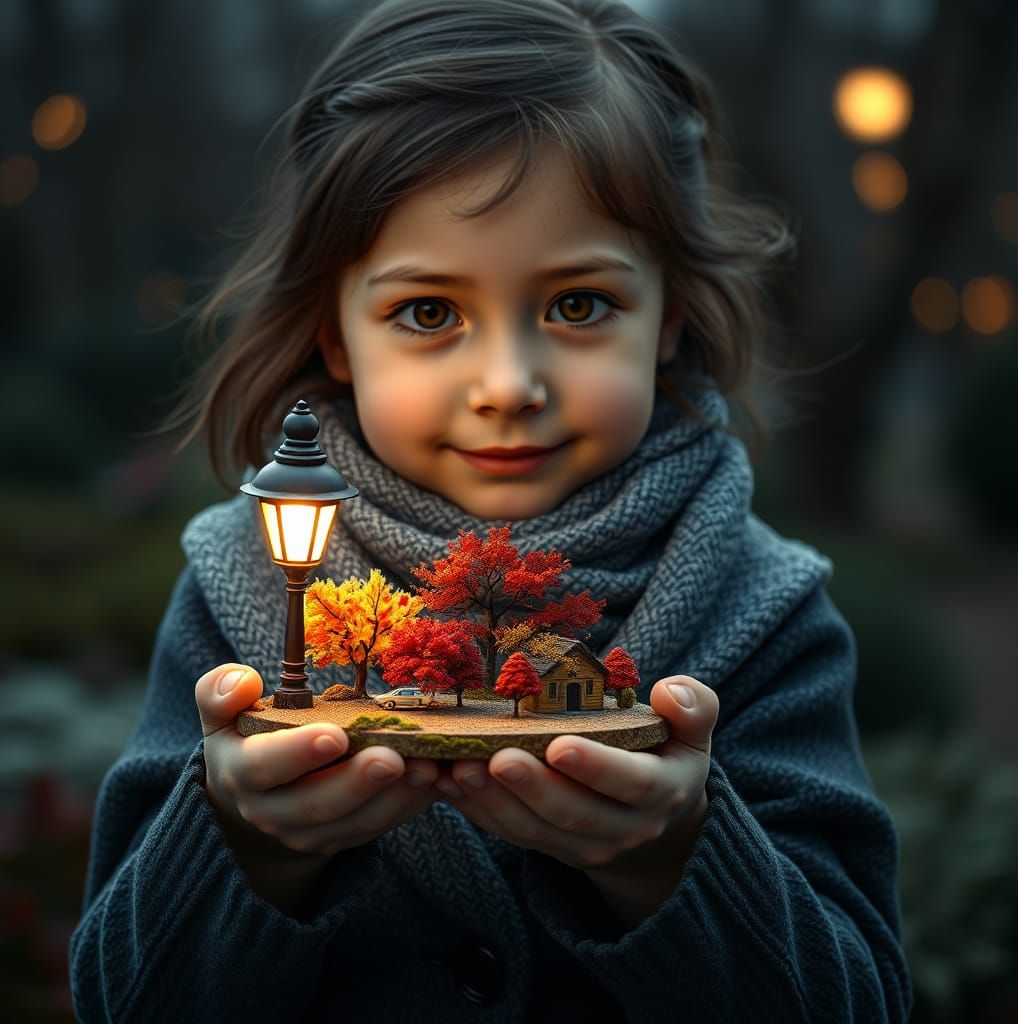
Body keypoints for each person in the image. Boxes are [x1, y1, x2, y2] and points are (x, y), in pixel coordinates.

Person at [69, 0, 913, 1020]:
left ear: (668, 315)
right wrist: (244, 842)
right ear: (337, 335)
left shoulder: (763, 612)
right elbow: (122, 998)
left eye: (577, 305)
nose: (508, 382)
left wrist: (673, 862)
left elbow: (857, 999)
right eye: (428, 313)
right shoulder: (243, 591)